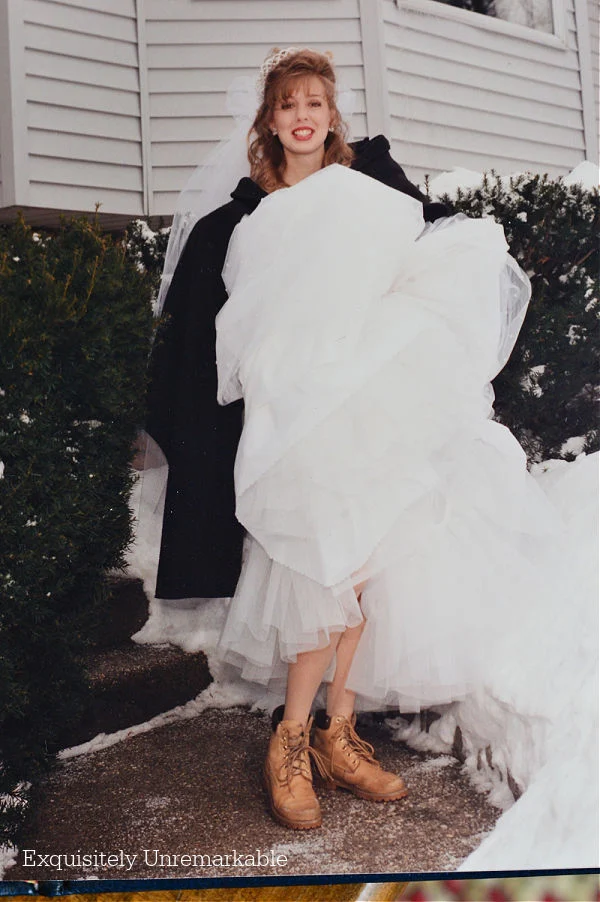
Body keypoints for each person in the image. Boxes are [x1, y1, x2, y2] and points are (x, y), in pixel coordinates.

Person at [144, 47, 554, 832]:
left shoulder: (369, 191)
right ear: (270, 121)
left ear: (333, 118)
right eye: (288, 105)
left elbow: (417, 264)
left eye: (317, 105)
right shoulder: (246, 215)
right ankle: (290, 742)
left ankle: (338, 734)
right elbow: (224, 333)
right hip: (291, 413)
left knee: (362, 568)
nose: (303, 117)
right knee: (319, 569)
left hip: (362, 406)